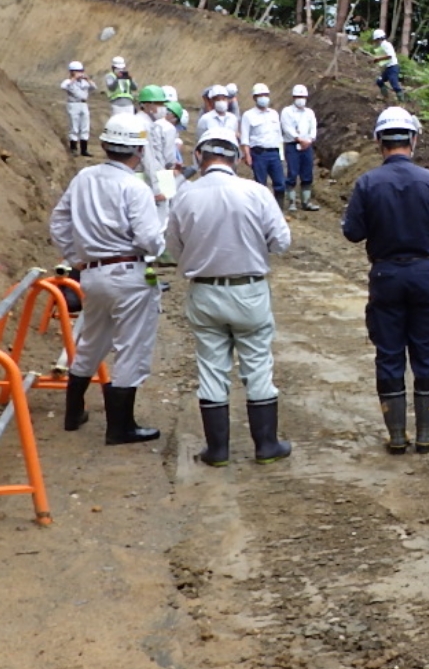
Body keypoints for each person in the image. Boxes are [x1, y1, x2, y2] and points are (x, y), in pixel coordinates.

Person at [166, 129, 293, 465]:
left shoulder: (185, 196)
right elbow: (281, 241)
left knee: (211, 368)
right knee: (257, 366)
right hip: (249, 289)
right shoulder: (256, 192)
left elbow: (174, 248)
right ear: (236, 158)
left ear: (198, 157)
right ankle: (266, 446)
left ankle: (218, 451)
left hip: (205, 291)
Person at [342, 107, 429, 453]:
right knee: (427, 349)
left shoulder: (366, 184)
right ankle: (426, 433)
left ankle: (397, 434)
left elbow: (352, 232)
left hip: (385, 274)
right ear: (413, 140)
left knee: (389, 350)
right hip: (424, 273)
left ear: (380, 142)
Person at [49, 113, 164, 445]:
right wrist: (158, 242)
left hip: (93, 274)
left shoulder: (84, 177)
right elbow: (149, 239)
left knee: (92, 340)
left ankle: (74, 413)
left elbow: (59, 222)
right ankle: (121, 427)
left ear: (104, 144)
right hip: (129, 273)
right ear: (138, 151)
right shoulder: (134, 186)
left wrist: (77, 260)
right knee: (131, 348)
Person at [239, 82, 287, 210]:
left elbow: (279, 135)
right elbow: (245, 138)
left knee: (280, 183)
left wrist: (281, 154)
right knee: (261, 185)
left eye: (265, 95)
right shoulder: (248, 115)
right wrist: (247, 155)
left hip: (274, 153)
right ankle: (262, 210)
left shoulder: (274, 114)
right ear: (254, 98)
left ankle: (278, 210)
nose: (263, 98)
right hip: (259, 154)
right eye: (260, 95)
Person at [137, 85, 177, 229]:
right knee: (157, 221)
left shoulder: (147, 123)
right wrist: (157, 188)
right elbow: (148, 158)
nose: (162, 108)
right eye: (159, 104)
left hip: (153, 174)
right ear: (147, 105)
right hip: (151, 176)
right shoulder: (144, 126)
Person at [281, 84, 321, 212]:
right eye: (298, 97)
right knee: (292, 172)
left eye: (303, 97)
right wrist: (299, 139)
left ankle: (306, 201)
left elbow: (313, 127)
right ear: (293, 97)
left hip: (307, 145)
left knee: (307, 173)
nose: (301, 99)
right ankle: (291, 201)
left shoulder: (309, 113)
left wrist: (309, 140)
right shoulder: (287, 112)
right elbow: (287, 128)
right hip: (292, 145)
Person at [61, 61, 96, 156]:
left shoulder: (84, 82)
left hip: (84, 104)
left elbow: (94, 87)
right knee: (74, 126)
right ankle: (73, 148)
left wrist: (87, 79)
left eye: (81, 71)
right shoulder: (68, 82)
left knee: (85, 126)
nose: (80, 73)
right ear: (72, 72)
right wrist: (73, 79)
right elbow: (63, 86)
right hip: (73, 104)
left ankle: (84, 149)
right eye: (77, 71)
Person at [370, 28, 404, 101]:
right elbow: (385, 58)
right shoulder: (382, 46)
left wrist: (378, 59)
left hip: (393, 68)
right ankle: (385, 96)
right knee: (379, 81)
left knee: (395, 85)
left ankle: (402, 101)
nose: (375, 41)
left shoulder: (386, 45)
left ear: (379, 38)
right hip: (388, 68)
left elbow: (390, 55)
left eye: (376, 40)